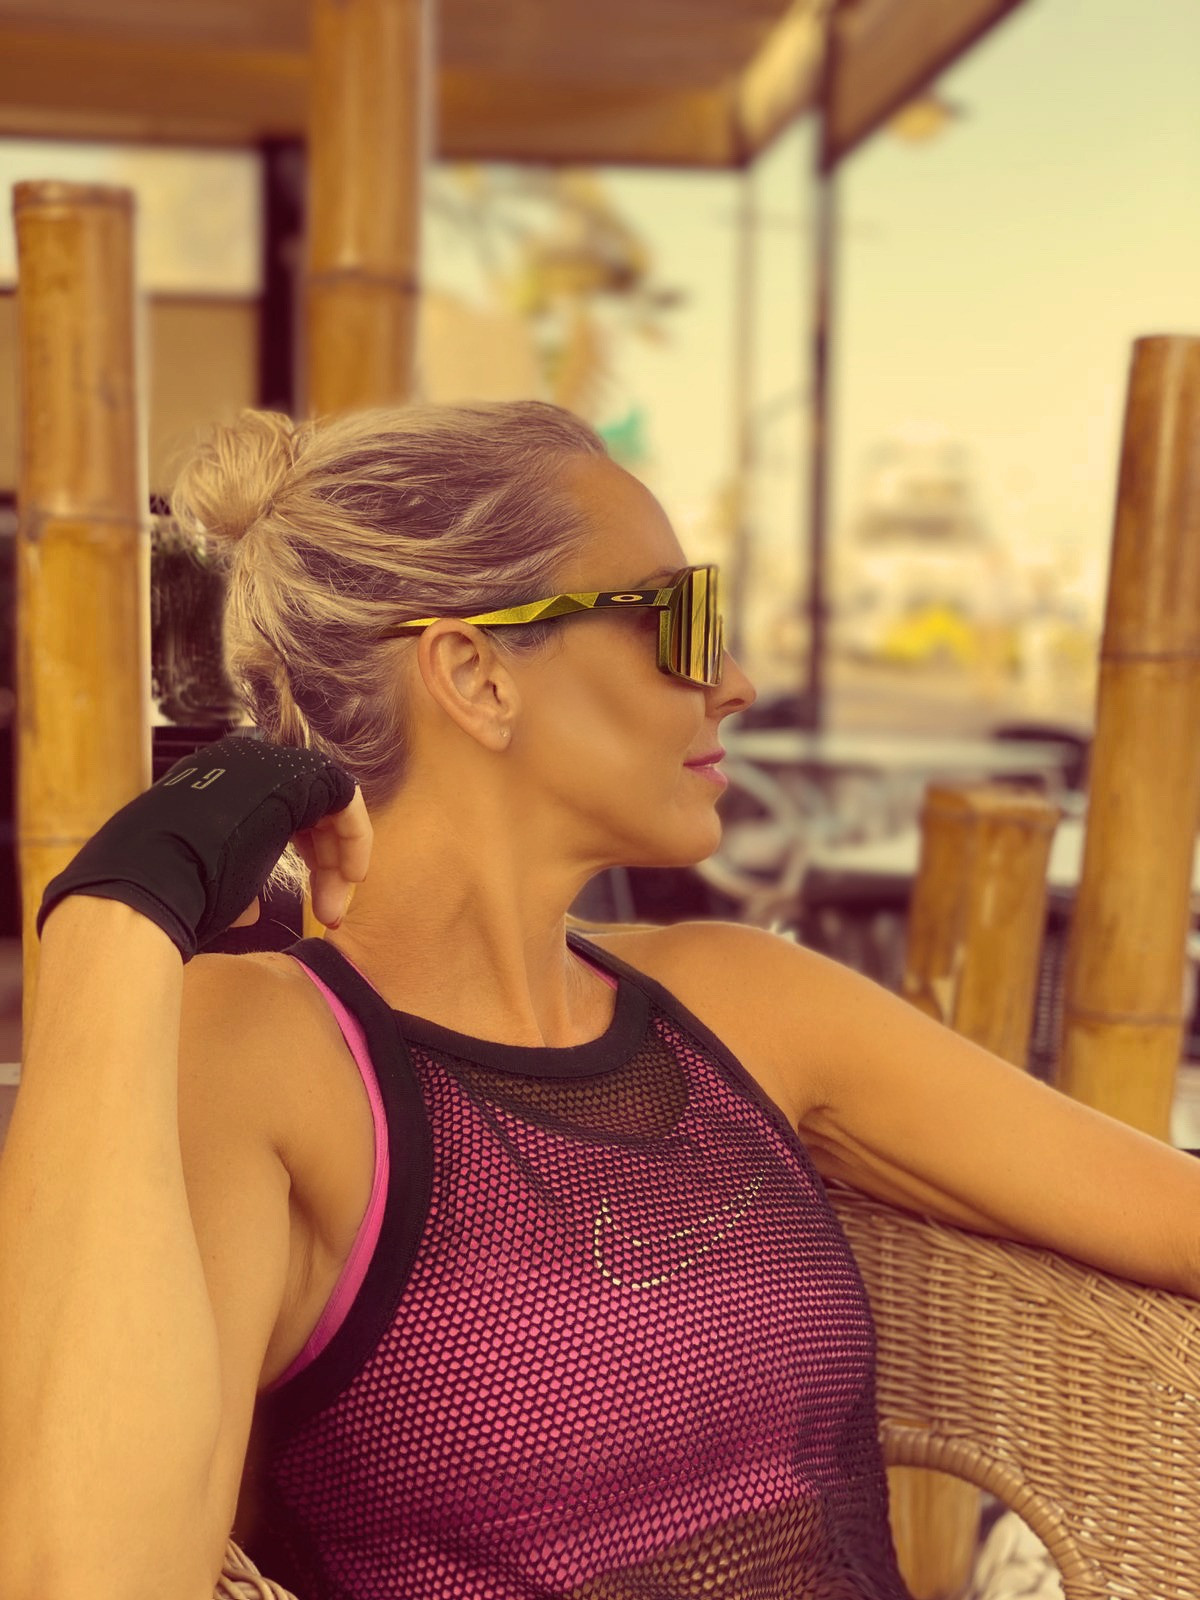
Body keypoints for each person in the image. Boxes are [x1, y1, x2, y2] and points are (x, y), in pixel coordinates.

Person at [1, 400, 1198, 1600]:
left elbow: (1172, 1218)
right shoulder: (259, 1052)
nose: (735, 681)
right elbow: (86, 1578)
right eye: (682, 619)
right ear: (475, 674)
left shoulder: (744, 1002)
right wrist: (114, 916)